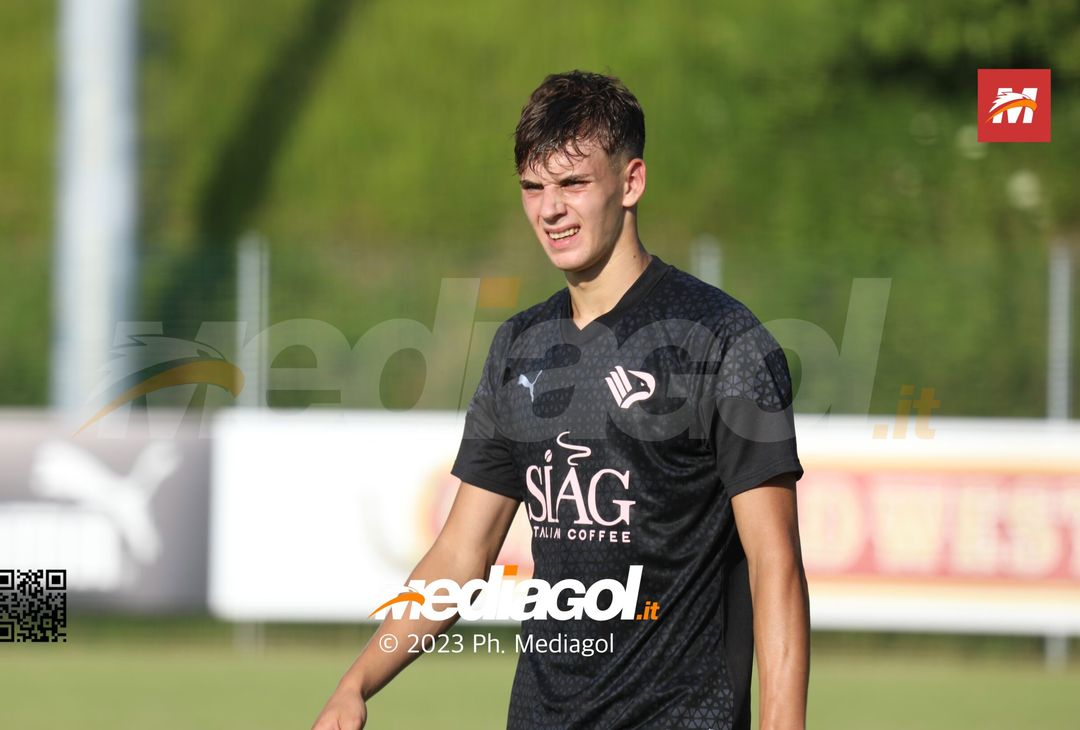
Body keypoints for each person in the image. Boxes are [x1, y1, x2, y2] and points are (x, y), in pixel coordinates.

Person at [313, 70, 809, 730]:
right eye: (533, 188)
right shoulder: (522, 345)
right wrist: (357, 683)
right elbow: (462, 552)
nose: (550, 209)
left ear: (631, 182)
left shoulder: (724, 342)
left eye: (573, 184)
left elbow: (776, 568)